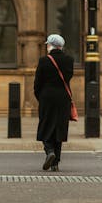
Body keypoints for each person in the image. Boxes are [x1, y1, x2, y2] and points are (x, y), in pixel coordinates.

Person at [34, 34, 74, 172]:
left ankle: (49, 151)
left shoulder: (44, 61)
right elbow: (68, 78)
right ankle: (55, 163)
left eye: (47, 45)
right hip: (63, 98)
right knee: (59, 128)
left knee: (45, 126)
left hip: (47, 97)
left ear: (51, 45)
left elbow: (37, 83)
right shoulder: (69, 60)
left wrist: (40, 96)